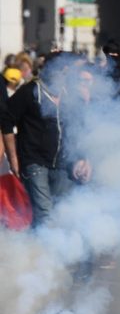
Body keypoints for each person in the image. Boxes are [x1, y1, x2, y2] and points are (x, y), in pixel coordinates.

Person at [1, 53, 92, 228]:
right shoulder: (30, 92)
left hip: (63, 164)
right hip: (34, 162)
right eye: (62, 72)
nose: (65, 77)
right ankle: (47, 255)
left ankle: (35, 249)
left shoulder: (71, 96)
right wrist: (13, 159)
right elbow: (6, 120)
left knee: (61, 213)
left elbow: (79, 130)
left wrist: (84, 158)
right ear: (50, 71)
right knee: (45, 214)